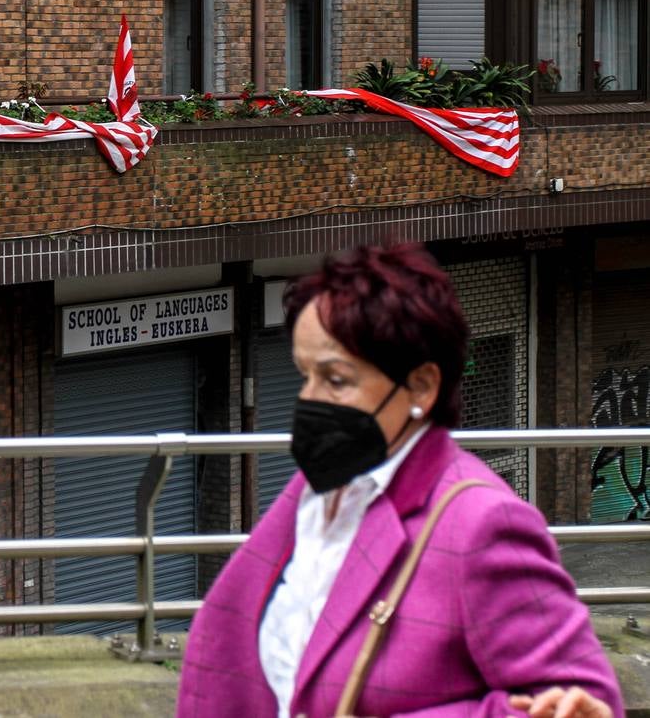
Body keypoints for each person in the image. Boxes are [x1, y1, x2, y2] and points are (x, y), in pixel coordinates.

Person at [176, 242, 622, 718]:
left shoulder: (483, 525)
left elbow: (582, 702)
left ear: (422, 387)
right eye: (305, 375)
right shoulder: (322, 489)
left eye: (337, 379)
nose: (309, 400)